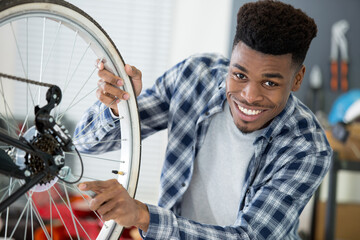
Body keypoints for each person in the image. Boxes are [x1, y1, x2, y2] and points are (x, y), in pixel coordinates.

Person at [75, 0, 332, 239]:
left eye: (269, 82)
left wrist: (143, 215)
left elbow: (248, 236)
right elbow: (85, 143)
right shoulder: (194, 77)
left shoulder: (308, 148)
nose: (249, 96)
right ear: (230, 62)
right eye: (239, 75)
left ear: (297, 79)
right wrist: (118, 107)